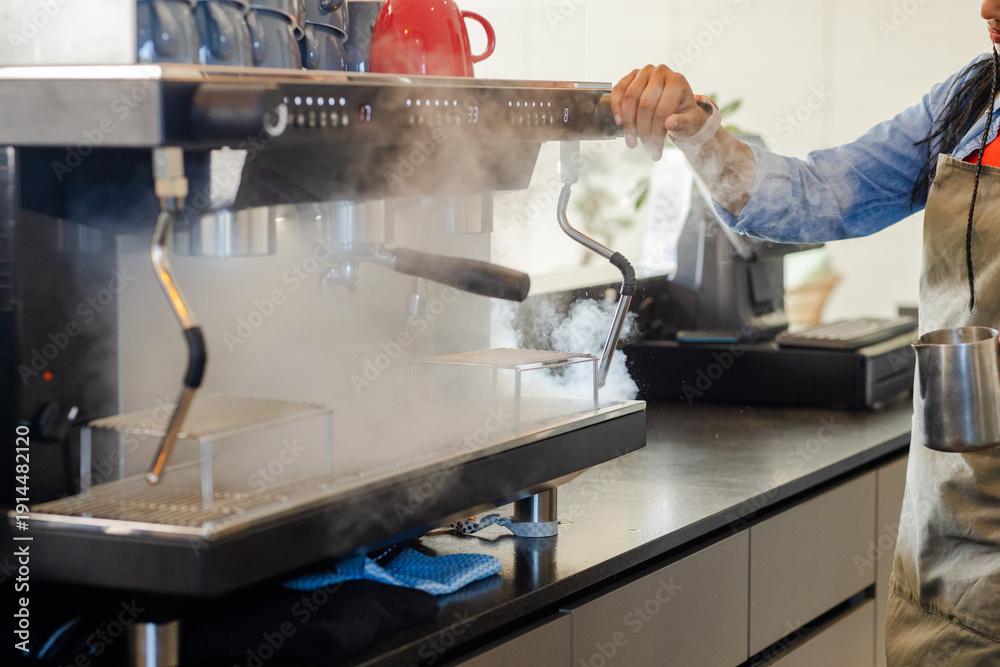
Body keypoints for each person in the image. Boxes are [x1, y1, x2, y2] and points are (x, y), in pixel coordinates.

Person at [611, 2, 1000, 664]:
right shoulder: (975, 102)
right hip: (952, 543)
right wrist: (697, 132)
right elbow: (822, 194)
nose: (986, 7)